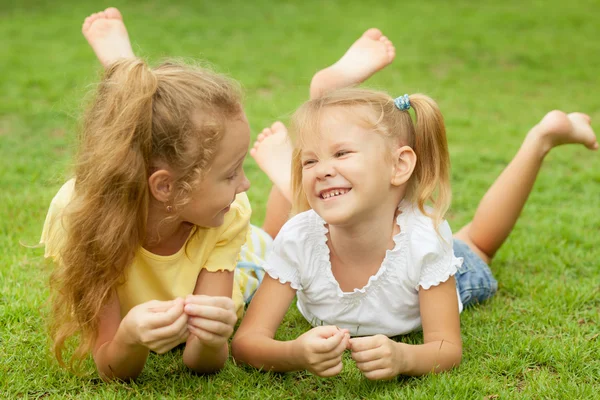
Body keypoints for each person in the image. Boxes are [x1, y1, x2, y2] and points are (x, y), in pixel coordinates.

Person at [40, 7, 396, 380]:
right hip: (164, 212)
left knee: (283, 239)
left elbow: (205, 362)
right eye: (230, 174)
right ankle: (125, 73)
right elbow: (110, 364)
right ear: (165, 186)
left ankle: (321, 107)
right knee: (283, 230)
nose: (244, 185)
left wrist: (212, 338)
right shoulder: (81, 216)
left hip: (247, 258)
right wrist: (130, 337)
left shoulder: (226, 213)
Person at [232, 88, 598, 380]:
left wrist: (403, 356)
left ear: (399, 165)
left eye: (342, 153)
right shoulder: (298, 238)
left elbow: (446, 348)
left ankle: (541, 139)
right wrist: (293, 353)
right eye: (309, 161)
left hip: (426, 266)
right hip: (391, 248)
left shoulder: (425, 241)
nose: (322, 170)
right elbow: (247, 342)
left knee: (478, 244)